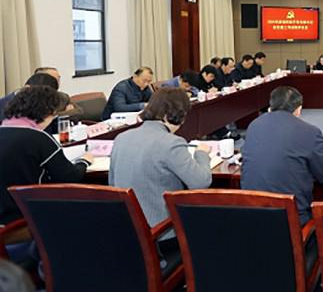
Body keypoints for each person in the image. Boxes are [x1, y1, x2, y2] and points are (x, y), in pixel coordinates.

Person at [110, 88, 211, 226]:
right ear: (179, 115)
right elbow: (201, 182)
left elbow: (112, 183)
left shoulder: (121, 138)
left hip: (128, 226)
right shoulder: (171, 142)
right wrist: (202, 153)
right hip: (163, 228)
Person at [241, 86, 323, 224]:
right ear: (298, 109)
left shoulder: (254, 126)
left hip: (253, 214)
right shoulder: (309, 132)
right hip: (292, 219)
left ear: (270, 106)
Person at [0, 86, 94, 225]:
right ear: (47, 112)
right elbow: (69, 177)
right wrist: (84, 161)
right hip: (25, 218)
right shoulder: (38, 138)